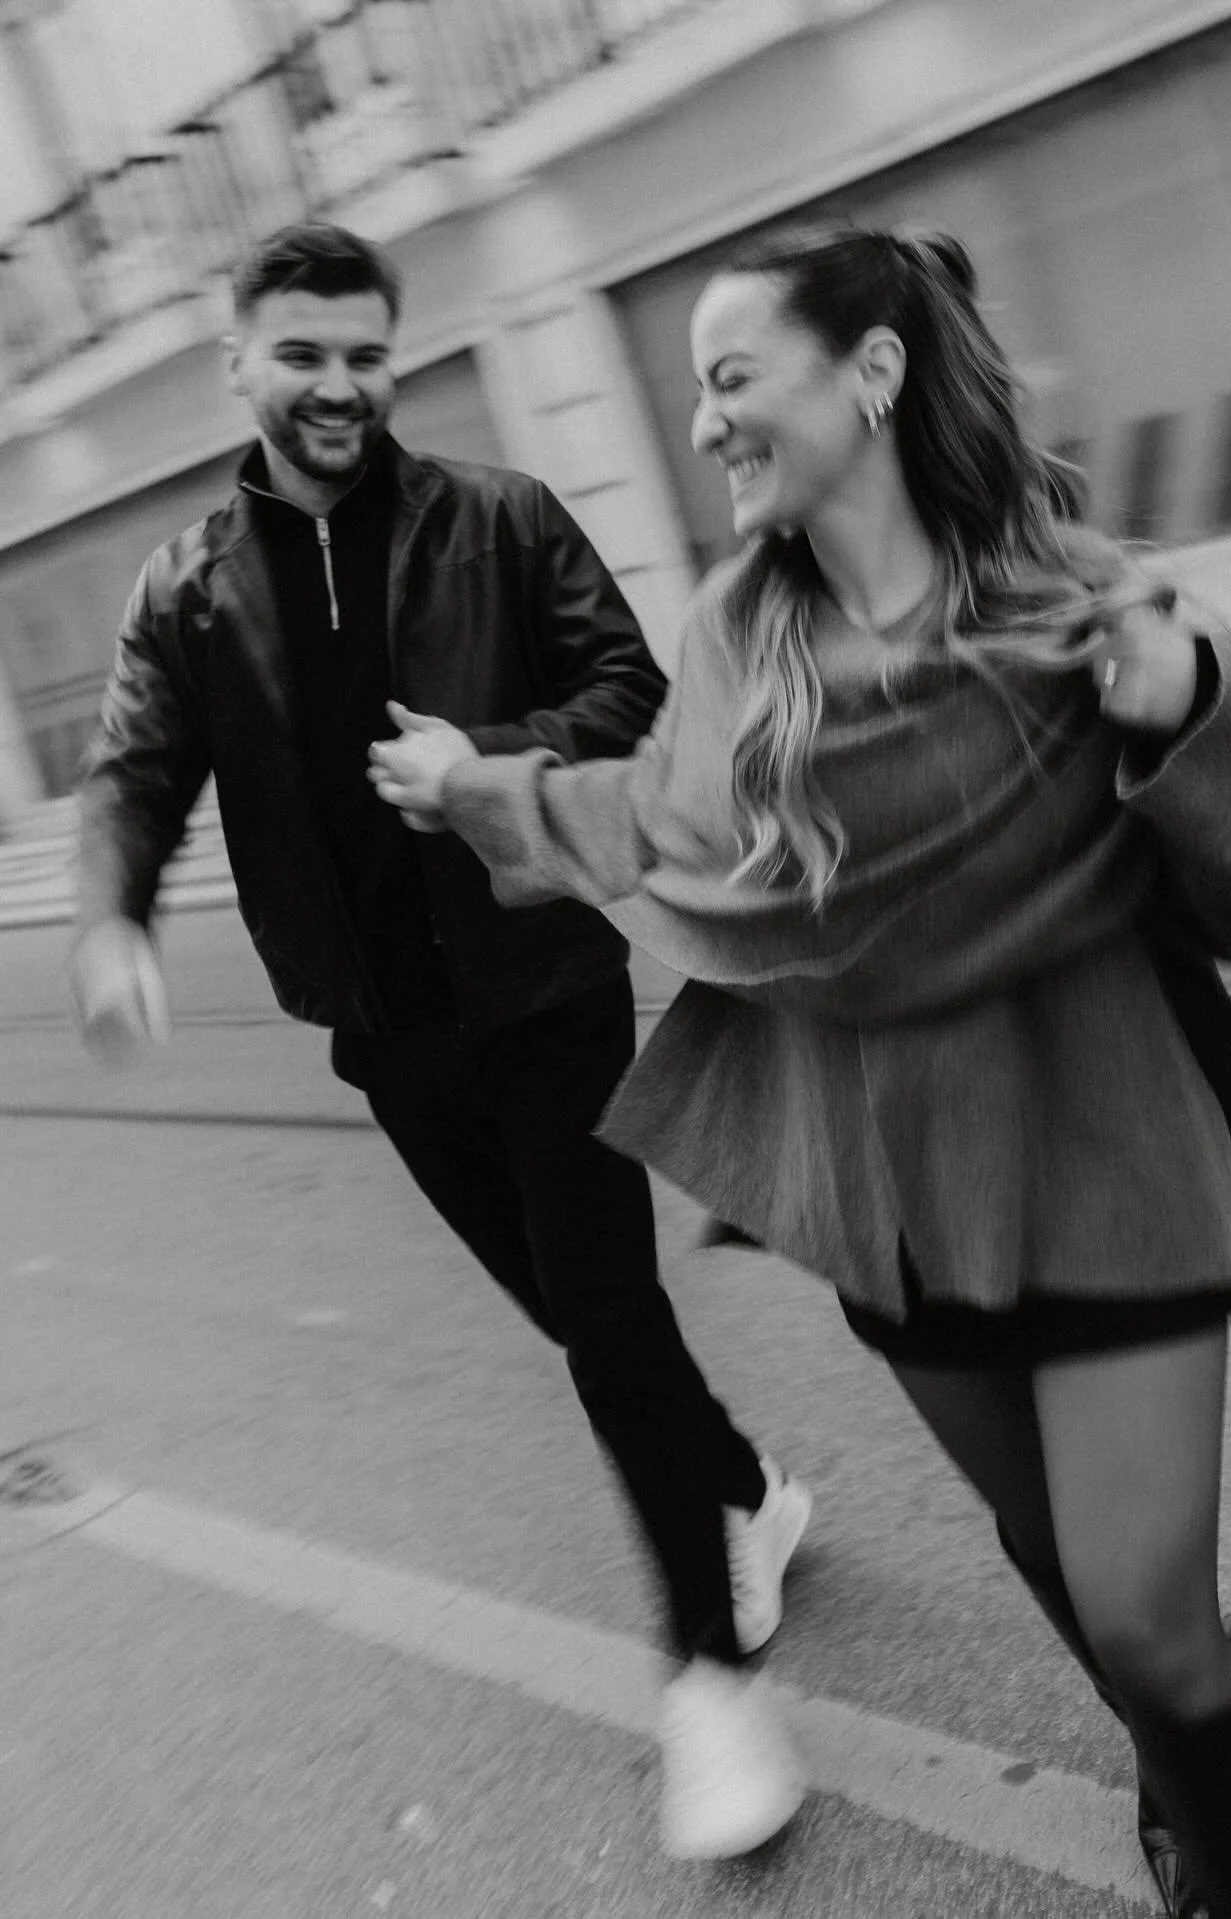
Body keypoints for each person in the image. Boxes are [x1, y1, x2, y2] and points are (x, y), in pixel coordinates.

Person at [367, 223, 1231, 1917]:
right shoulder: (734, 636)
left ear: (871, 373)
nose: (705, 423)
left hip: (1109, 1128)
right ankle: (1174, 1768)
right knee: (1060, 1548)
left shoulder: (1076, 591)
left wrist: (1186, 696)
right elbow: (657, 822)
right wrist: (480, 785)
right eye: (694, 389)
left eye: (731, 380)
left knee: (1154, 1608)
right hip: (884, 1172)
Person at [69, 222, 814, 1862]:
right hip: (386, 1036)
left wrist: (484, 757)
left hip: (548, 994)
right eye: (306, 355)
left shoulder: (501, 519)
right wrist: (114, 907)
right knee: (579, 1317)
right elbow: (135, 769)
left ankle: (712, 1676)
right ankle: (745, 1486)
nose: (342, 385)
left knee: (608, 1324)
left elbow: (628, 692)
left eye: (367, 355)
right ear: (241, 366)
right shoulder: (187, 584)